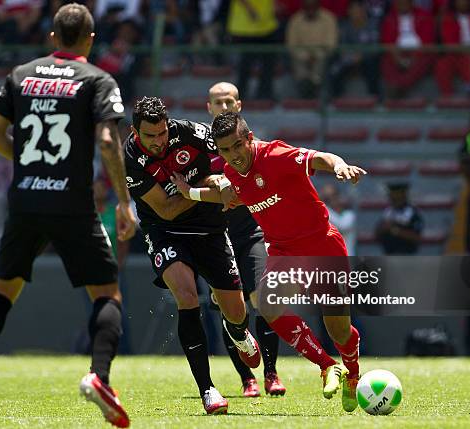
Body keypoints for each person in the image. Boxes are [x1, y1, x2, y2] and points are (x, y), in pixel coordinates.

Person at [0, 5, 136, 428]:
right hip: (72, 203)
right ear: (90, 38)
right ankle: (99, 377)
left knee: (2, 291)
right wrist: (124, 201)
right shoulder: (97, 80)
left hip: (26, 202)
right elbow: (108, 142)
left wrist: (33, 166)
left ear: (53, 37)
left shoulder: (21, 74)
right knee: (107, 294)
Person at [172, 111, 366, 413]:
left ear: (249, 138)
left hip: (321, 244)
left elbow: (319, 158)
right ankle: (328, 366)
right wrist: (191, 193)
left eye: (238, 145)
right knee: (268, 305)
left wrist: (339, 166)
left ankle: (353, 373)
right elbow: (230, 196)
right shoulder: (231, 171)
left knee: (338, 330)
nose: (233, 155)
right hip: (283, 251)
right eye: (225, 150)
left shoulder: (275, 154)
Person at [124, 96, 261, 415]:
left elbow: (231, 161)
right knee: (187, 296)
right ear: (134, 131)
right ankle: (208, 390)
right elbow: (167, 209)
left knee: (237, 312)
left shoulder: (193, 133)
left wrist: (225, 182)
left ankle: (238, 332)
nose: (158, 142)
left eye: (162, 133)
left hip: (210, 230)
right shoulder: (130, 157)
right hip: (165, 231)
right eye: (149, 136)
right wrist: (203, 190)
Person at [205, 82, 286, 397]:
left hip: (250, 233)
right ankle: (246, 379)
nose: (223, 107)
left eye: (228, 102)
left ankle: (270, 373)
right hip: (214, 238)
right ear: (208, 107)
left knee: (265, 299)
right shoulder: (199, 146)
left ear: (238, 105)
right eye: (217, 103)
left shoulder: (253, 144)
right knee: (230, 310)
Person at [375, 182, 424, 255]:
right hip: (388, 254)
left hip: (407, 254)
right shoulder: (387, 212)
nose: (395, 200)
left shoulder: (413, 213)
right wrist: (383, 228)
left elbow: (417, 237)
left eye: (398, 197)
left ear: (404, 196)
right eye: (393, 197)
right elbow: (376, 233)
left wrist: (395, 230)